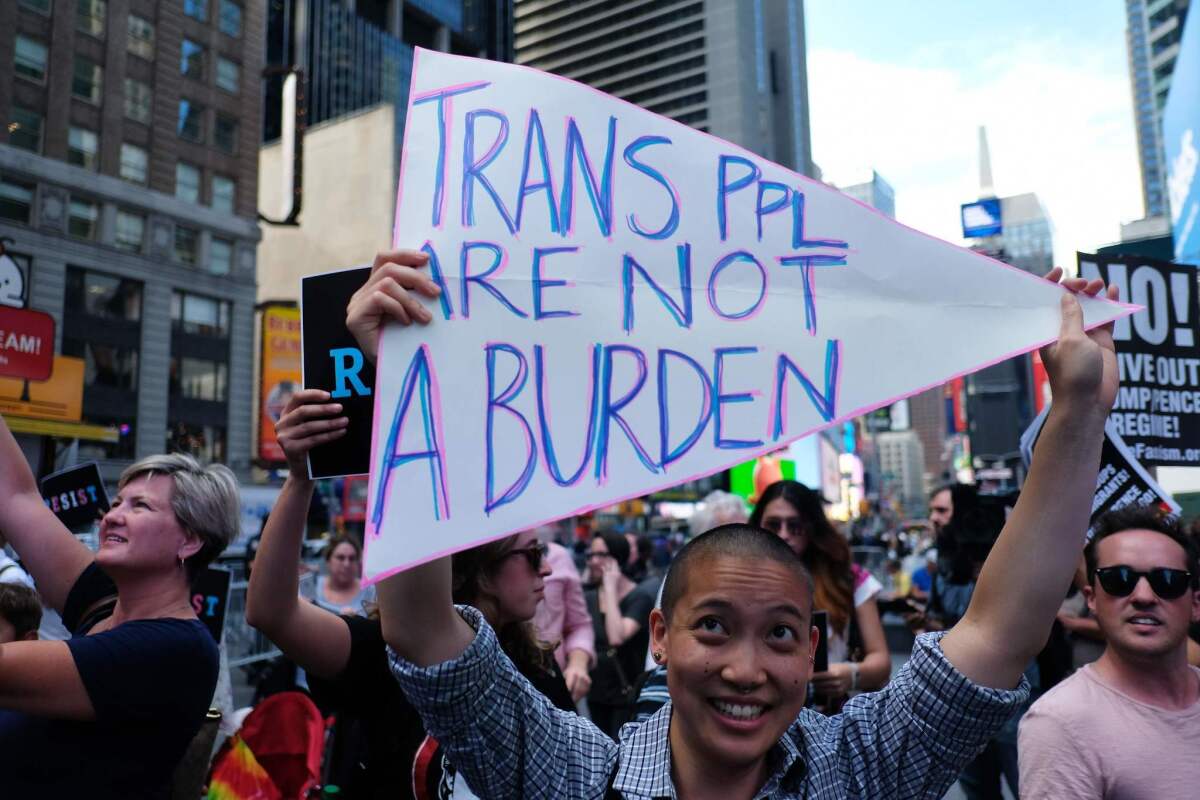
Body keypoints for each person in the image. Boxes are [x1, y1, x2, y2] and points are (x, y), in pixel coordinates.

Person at [365, 251, 1119, 798]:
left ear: (814, 645)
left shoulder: (855, 770)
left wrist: (1080, 404)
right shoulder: (576, 777)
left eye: (781, 635)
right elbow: (425, 630)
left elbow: (998, 632)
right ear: (660, 636)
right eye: (715, 628)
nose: (746, 671)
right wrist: (405, 385)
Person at [246, 384, 576, 798]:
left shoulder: (538, 667)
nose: (546, 568)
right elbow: (272, 612)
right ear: (479, 571)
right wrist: (300, 478)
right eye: (532, 554)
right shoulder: (388, 654)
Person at [0, 420, 238, 797]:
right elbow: (16, 497)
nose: (111, 516)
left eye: (139, 506)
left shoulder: (175, 650)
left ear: (190, 540)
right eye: (115, 503)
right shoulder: (106, 603)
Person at [1018, 506, 1200, 797]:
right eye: (1119, 579)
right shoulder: (1061, 723)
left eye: (1167, 580)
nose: (1143, 596)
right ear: (1092, 598)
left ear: (1195, 604)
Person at [749, 480, 891, 709]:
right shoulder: (742, 579)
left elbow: (881, 661)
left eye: (795, 526)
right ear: (758, 526)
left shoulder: (848, 579)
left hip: (830, 719)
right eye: (773, 525)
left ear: (811, 527)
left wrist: (850, 674)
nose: (784, 535)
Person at [585, 531, 658, 737]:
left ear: (617, 558)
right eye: (591, 555)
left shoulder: (639, 597)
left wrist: (609, 587)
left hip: (626, 695)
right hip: (597, 693)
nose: (594, 561)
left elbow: (617, 636)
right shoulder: (588, 596)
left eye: (602, 555)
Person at [532, 532, 596, 703]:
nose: (546, 569)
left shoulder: (559, 557)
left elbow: (580, 624)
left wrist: (577, 664)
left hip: (556, 684)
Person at [314, 534, 375, 616]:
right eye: (340, 557)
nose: (347, 564)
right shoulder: (313, 586)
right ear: (328, 561)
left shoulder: (370, 592)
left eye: (352, 558)